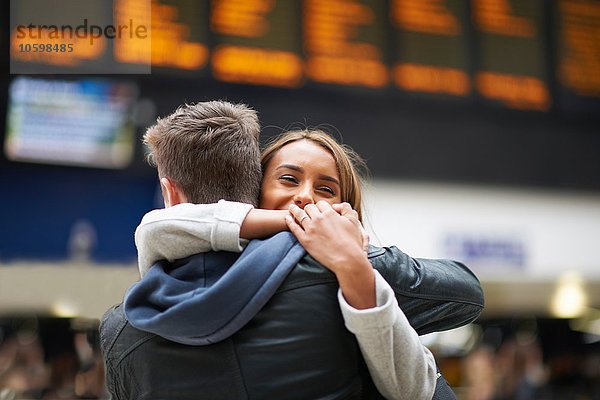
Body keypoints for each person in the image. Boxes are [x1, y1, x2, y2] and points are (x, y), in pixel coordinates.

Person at [101, 102, 483, 399]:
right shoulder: (334, 271)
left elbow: (467, 293)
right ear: (253, 194)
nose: (304, 197)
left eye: (327, 189)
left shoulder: (122, 327)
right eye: (288, 179)